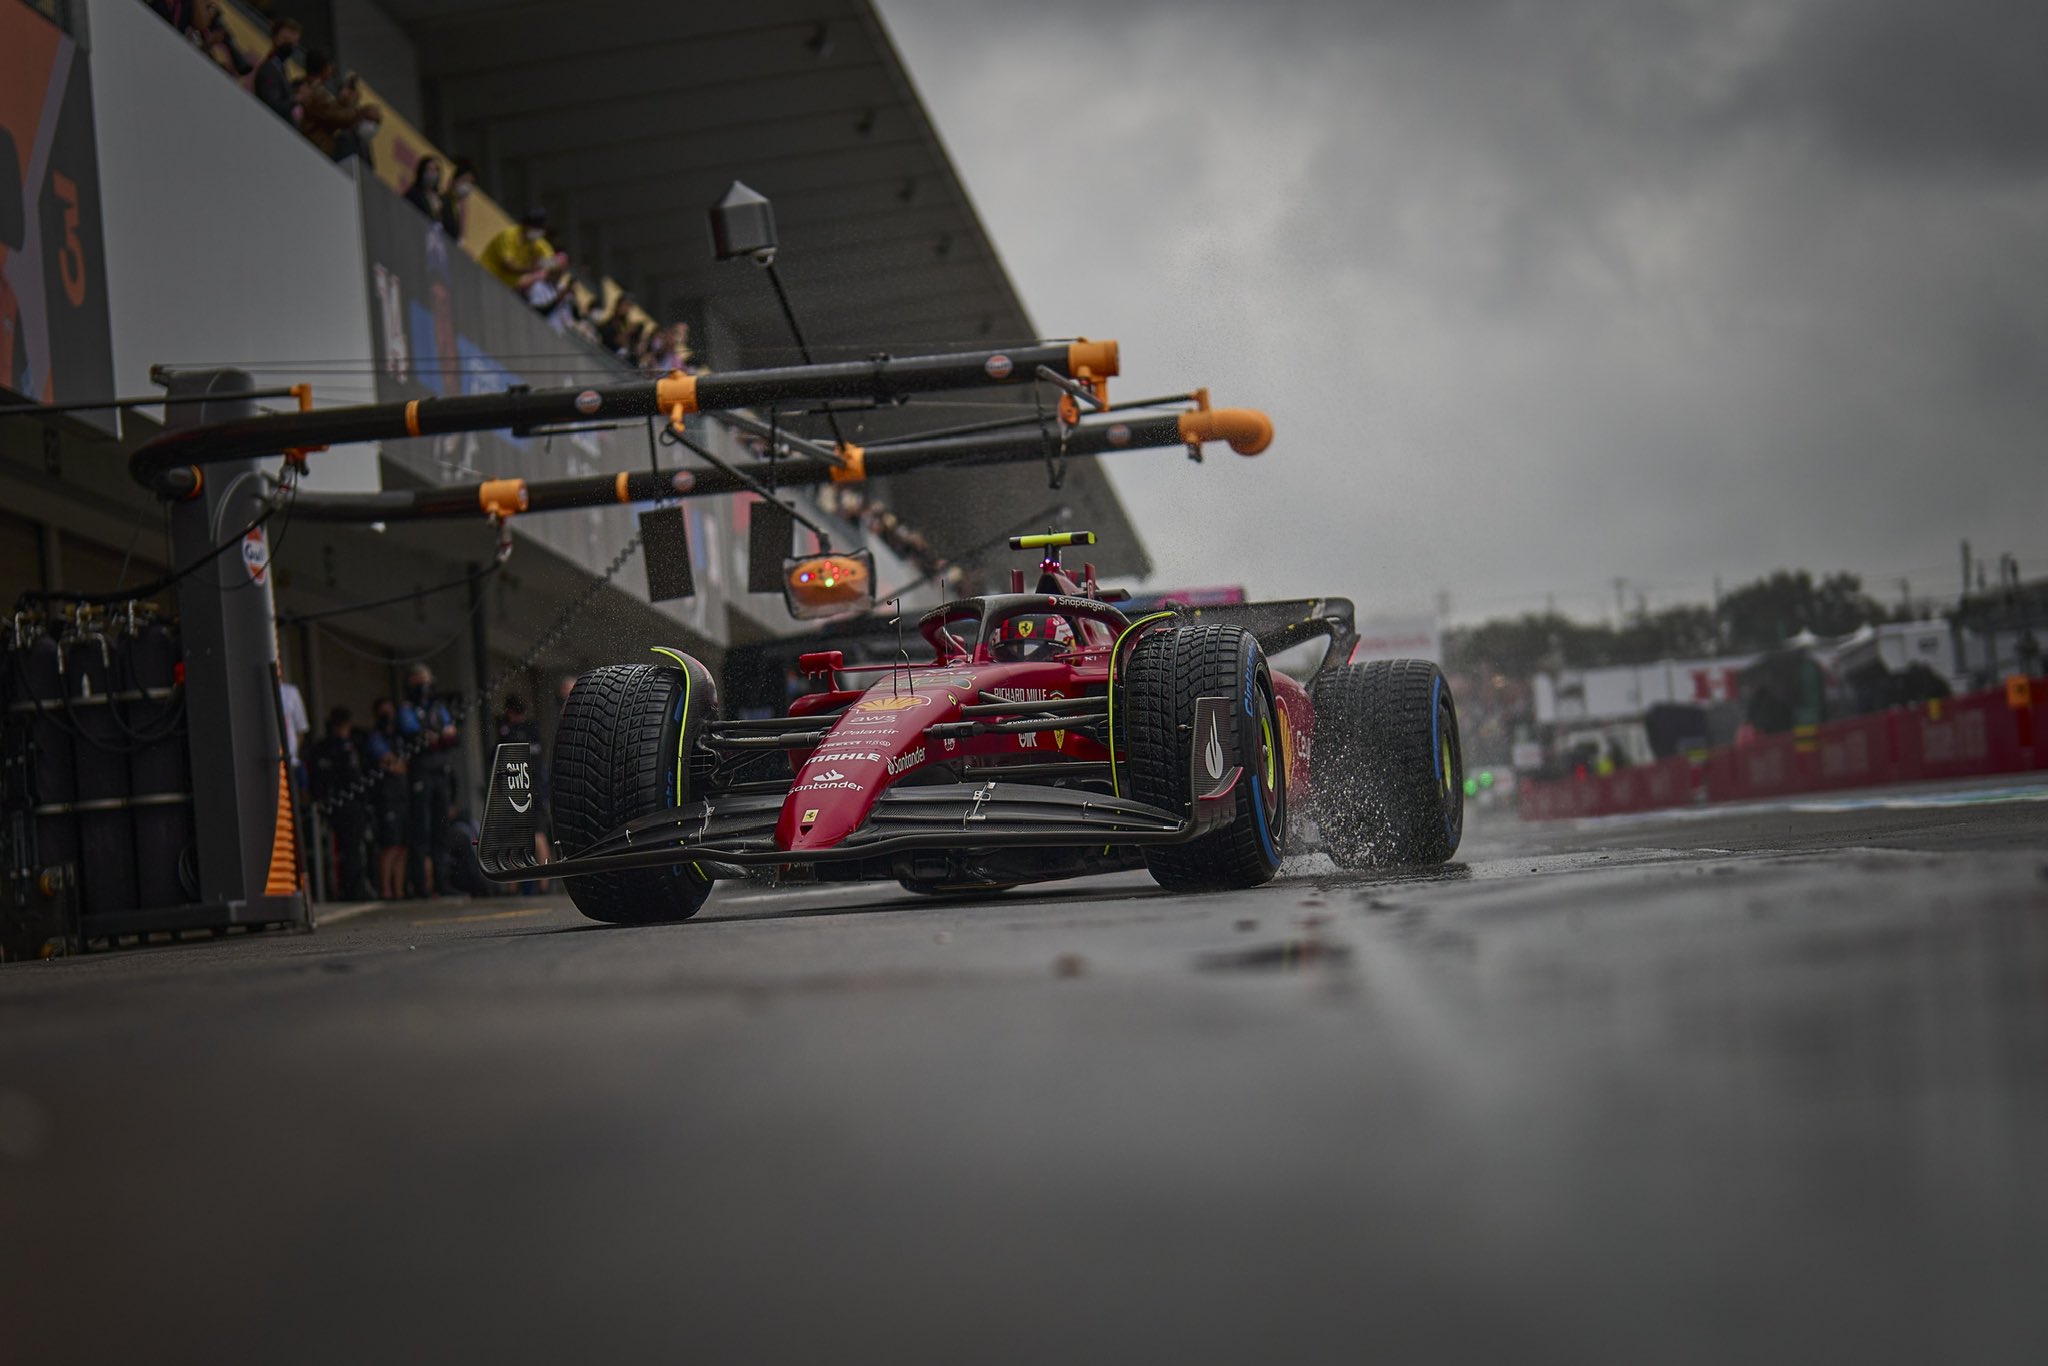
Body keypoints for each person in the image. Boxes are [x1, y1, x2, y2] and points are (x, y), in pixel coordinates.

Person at [397, 664, 459, 897]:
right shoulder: (407, 708)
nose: (424, 685)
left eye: (426, 680)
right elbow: (414, 733)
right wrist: (435, 736)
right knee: (420, 830)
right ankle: (421, 884)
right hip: (420, 773)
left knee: (441, 829)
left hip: (440, 772)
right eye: (418, 681)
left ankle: (442, 882)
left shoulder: (437, 707)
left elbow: (451, 735)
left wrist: (439, 736)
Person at [307, 707, 375, 901]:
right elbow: (350, 776)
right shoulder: (338, 748)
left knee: (353, 848)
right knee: (351, 849)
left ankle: (353, 887)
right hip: (344, 804)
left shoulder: (340, 745)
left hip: (341, 804)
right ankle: (352, 889)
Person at [494, 695, 552, 889]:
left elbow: (499, 759)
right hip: (534, 788)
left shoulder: (510, 731)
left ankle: (514, 885)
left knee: (520, 837)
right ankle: (543, 883)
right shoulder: (532, 729)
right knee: (537, 834)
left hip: (518, 789)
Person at [363, 697, 410, 900]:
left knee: (402, 846)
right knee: (389, 845)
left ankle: (399, 891)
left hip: (402, 795)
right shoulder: (375, 737)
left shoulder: (398, 737)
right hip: (386, 797)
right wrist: (396, 765)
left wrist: (397, 765)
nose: (388, 717)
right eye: (384, 713)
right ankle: (386, 891)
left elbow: (404, 765)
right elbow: (391, 762)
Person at [296, 50, 380, 161]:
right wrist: (359, 111)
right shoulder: (316, 92)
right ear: (325, 69)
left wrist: (344, 102)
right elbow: (336, 116)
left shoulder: (316, 90)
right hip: (311, 151)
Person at [479, 208, 554, 291]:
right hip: (485, 275)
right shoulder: (509, 236)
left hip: (504, 286)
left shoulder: (537, 242)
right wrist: (531, 269)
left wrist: (541, 264)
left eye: (539, 228)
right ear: (525, 225)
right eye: (535, 228)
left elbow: (553, 261)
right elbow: (508, 266)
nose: (537, 231)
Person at [252, 18, 302, 124]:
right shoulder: (269, 70)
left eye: (293, 43)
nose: (290, 46)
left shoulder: (281, 68)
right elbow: (272, 106)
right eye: (286, 40)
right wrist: (296, 98)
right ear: (275, 39)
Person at [440, 158, 477, 243]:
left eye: (470, 183)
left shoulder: (461, 209)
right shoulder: (441, 201)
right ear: (454, 180)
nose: (467, 186)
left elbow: (460, 238)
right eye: (464, 180)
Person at [404, 157, 445, 223]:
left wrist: (438, 212)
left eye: (436, 169)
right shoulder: (414, 193)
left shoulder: (439, 200)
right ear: (422, 172)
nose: (433, 172)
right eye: (429, 169)